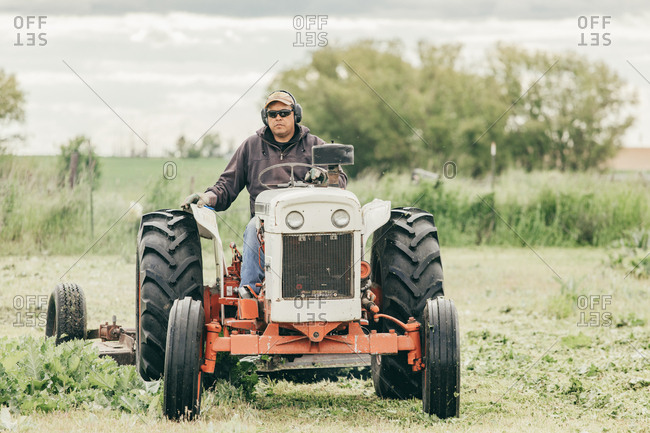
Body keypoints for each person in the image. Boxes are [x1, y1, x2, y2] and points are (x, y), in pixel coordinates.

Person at [181, 90, 347, 298]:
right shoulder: (251, 146)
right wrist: (207, 197)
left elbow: (340, 180)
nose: (278, 118)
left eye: (284, 113)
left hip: (311, 221)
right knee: (253, 227)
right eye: (272, 114)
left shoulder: (316, 145)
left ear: (296, 115)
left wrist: (324, 176)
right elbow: (227, 185)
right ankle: (251, 291)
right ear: (265, 118)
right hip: (266, 222)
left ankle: (346, 287)